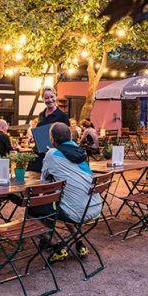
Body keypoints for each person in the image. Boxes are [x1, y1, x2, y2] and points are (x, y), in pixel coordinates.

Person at [29, 122, 100, 262]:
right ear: (70, 137)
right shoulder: (82, 152)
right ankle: (79, 243)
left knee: (31, 211)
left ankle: (58, 247)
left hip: (76, 212)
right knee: (63, 201)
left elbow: (45, 183)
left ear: (52, 139)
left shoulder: (52, 153)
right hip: (94, 206)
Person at [29, 86, 70, 172]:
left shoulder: (62, 116)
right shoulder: (41, 114)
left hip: (53, 155)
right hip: (38, 154)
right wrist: (33, 138)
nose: (50, 100)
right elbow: (40, 132)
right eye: (46, 98)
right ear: (43, 99)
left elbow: (68, 138)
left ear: (56, 96)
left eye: (52, 97)